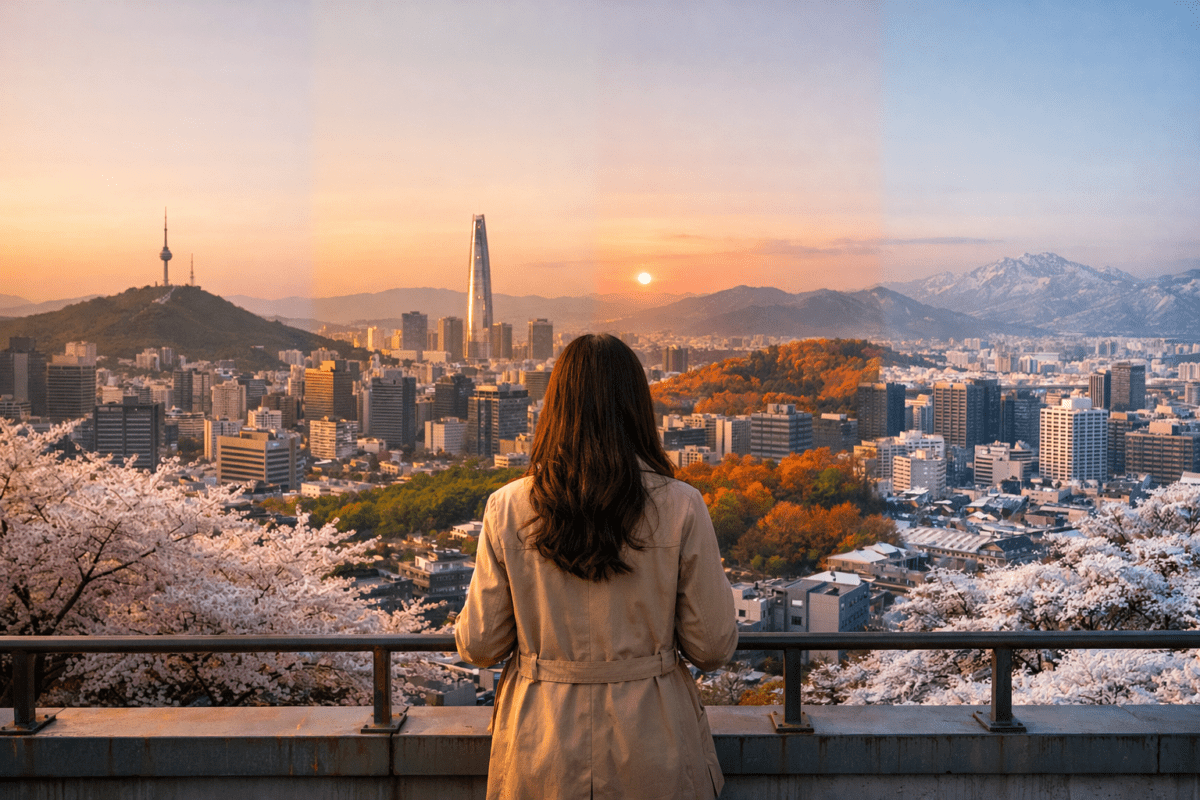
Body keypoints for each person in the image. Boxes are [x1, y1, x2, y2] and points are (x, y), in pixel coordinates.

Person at [456, 333, 738, 800]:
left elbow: (481, 645)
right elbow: (712, 645)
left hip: (540, 743)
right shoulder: (682, 506)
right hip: (655, 741)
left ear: (555, 407)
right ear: (637, 407)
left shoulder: (508, 507)